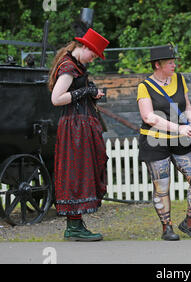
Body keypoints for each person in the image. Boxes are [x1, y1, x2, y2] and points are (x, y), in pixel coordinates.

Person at [137, 44, 191, 241]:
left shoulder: (179, 79)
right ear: (157, 65)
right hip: (155, 141)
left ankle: (189, 222)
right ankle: (166, 228)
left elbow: (187, 106)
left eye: (174, 61)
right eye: (170, 62)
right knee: (162, 186)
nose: (174, 65)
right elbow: (149, 117)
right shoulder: (144, 87)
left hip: (181, 139)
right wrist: (179, 128)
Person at [48, 28, 109, 241]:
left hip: (78, 124)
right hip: (74, 127)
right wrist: (86, 92)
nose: (92, 60)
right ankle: (73, 228)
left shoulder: (75, 66)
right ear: (83, 47)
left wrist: (91, 91)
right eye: (92, 55)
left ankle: (75, 225)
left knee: (79, 172)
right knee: (75, 173)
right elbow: (57, 98)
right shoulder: (68, 68)